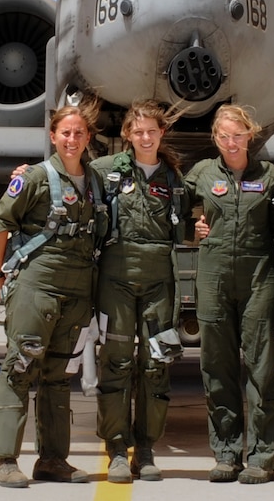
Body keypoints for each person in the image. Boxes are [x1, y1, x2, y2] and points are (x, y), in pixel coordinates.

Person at [0, 101, 108, 488]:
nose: (72, 139)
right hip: (37, 284)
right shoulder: (34, 177)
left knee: (58, 376)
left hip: (77, 290)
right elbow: (0, 223)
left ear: (88, 138)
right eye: (65, 133)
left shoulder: (96, 180)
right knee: (20, 366)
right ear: (53, 136)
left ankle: (53, 459)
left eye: (79, 133)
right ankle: (4, 459)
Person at [89, 100, 190, 483]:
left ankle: (145, 448)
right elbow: (67, 180)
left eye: (152, 131)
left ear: (161, 133)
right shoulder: (102, 172)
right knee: (115, 362)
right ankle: (116, 447)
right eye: (138, 131)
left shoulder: (176, 179)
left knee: (156, 364)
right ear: (127, 134)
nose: (145, 137)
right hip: (114, 279)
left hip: (159, 283)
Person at [187, 104, 274, 483]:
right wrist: (192, 230)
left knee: (262, 369)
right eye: (224, 136)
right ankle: (227, 453)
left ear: (251, 135)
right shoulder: (201, 174)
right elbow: (168, 209)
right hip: (213, 279)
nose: (232, 142)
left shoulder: (271, 177)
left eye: (238, 135)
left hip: (260, 278)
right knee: (217, 368)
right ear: (216, 138)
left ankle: (262, 457)